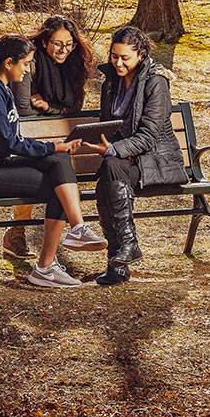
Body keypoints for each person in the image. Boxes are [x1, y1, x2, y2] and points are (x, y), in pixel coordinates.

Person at [0, 34, 108, 288]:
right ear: (8, 63)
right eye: (25, 64)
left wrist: (54, 149)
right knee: (56, 184)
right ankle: (46, 267)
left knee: (58, 162)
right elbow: (7, 142)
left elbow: (11, 140)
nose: (27, 70)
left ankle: (77, 229)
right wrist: (52, 145)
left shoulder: (1, 88)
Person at [81, 27, 187, 286]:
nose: (118, 63)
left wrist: (116, 150)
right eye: (114, 56)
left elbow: (150, 135)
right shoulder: (111, 82)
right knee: (109, 171)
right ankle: (126, 251)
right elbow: (109, 126)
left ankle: (118, 260)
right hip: (124, 162)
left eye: (125, 58)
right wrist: (109, 146)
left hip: (156, 163)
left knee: (109, 171)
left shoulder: (156, 82)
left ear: (140, 54)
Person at [4, 15, 96, 257]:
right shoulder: (30, 60)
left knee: (53, 169)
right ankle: (18, 232)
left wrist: (49, 108)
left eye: (69, 44)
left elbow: (75, 107)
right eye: (57, 43)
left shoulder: (74, 64)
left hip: (48, 128)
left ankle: (20, 234)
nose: (63, 50)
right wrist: (42, 109)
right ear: (45, 41)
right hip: (8, 124)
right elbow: (22, 107)